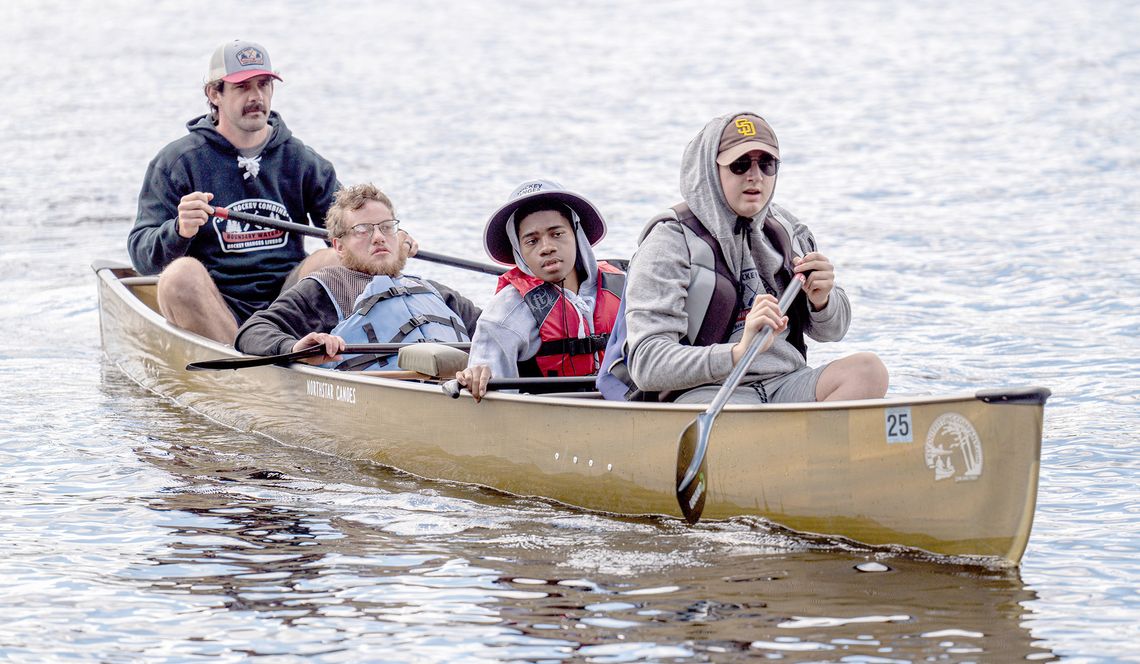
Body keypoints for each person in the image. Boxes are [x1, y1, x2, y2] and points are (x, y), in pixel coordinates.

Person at [604, 112, 888, 404]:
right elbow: (647, 365)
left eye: (766, 164)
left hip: (786, 382)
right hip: (709, 393)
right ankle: (798, 441)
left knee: (868, 371)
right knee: (733, 418)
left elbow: (833, 331)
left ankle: (807, 443)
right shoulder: (667, 242)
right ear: (711, 171)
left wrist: (823, 300)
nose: (755, 176)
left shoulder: (788, 229)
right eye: (739, 165)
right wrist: (737, 353)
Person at [128, 40, 355, 344]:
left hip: (288, 310)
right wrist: (178, 231)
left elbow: (349, 230)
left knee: (336, 258)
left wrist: (388, 240)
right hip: (217, 308)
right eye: (243, 87)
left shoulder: (301, 160)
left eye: (263, 85)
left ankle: (297, 353)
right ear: (214, 94)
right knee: (177, 276)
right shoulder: (177, 162)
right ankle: (245, 364)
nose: (256, 97)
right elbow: (142, 256)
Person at [234, 183, 479, 371]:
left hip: (460, 387)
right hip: (388, 396)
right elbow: (252, 331)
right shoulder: (326, 290)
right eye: (363, 230)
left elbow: (495, 329)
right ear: (339, 246)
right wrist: (295, 348)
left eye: (386, 227)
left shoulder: (433, 291)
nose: (378, 237)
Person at [454, 179, 625, 401]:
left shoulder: (624, 286)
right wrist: (477, 374)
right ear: (519, 250)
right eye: (532, 241)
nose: (547, 247)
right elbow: (488, 377)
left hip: (628, 408)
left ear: (576, 234)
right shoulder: (505, 311)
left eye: (557, 234)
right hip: (550, 420)